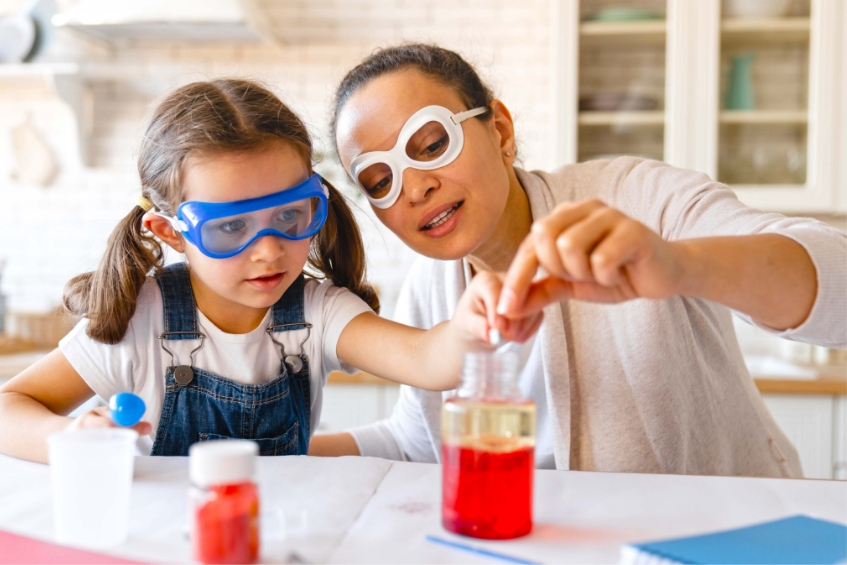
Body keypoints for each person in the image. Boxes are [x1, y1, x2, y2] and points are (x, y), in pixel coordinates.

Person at [309, 43, 847, 478]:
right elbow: (417, 443)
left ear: (499, 130)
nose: (414, 188)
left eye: (431, 145)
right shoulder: (431, 287)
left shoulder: (637, 200)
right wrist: (268, 454)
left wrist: (679, 265)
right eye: (380, 181)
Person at [0, 79, 539, 464]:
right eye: (231, 228)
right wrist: (71, 438)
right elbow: (10, 407)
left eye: (288, 216)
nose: (270, 251)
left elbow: (429, 360)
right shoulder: (143, 318)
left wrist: (470, 323)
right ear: (171, 233)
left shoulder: (317, 310)